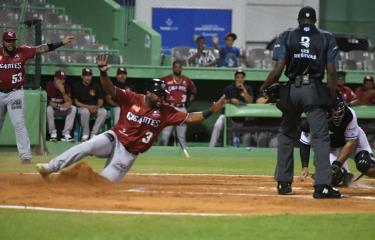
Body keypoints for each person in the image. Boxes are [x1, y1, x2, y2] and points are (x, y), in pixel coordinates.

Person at [36, 55, 225, 182]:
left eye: (163, 95)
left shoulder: (166, 111)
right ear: (149, 92)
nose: (162, 97)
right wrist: (103, 73)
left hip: (128, 153)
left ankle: (64, 179)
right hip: (114, 138)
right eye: (159, 94)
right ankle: (50, 167)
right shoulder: (132, 97)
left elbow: (191, 117)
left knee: (105, 183)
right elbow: (110, 89)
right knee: (86, 146)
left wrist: (211, 111)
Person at [260, 6, 341, 198]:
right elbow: (331, 71)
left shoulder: (287, 35)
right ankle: (322, 186)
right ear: (315, 21)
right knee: (320, 137)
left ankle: (283, 183)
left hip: (292, 91)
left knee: (287, 134)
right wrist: (331, 96)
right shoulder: (326, 37)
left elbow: (278, 70)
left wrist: (264, 87)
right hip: (313, 90)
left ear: (298, 20)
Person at [0, 30, 73, 164]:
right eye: (8, 41)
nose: (11, 43)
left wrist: (61, 42)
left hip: (15, 92)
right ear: (3, 42)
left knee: (19, 123)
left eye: (13, 41)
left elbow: (43, 48)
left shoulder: (22, 51)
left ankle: (25, 156)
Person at [299, 96, 375, 186]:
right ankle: (344, 174)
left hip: (354, 143)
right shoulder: (312, 120)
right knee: (330, 177)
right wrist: (305, 166)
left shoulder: (349, 115)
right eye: (334, 111)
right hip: (331, 147)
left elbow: (350, 143)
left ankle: (343, 170)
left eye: (339, 111)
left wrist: (337, 165)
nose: (338, 114)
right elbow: (305, 143)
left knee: (368, 167)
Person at [209, 69, 253, 147]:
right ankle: (210, 148)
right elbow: (223, 103)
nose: (240, 79)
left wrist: (244, 90)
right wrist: (231, 101)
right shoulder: (229, 88)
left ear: (244, 78)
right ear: (235, 78)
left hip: (242, 117)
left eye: (241, 77)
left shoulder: (248, 88)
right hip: (227, 116)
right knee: (217, 125)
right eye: (238, 77)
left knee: (246, 134)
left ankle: (246, 152)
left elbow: (250, 101)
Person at [159, 60, 197, 150]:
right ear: (172, 68)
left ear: (181, 68)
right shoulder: (165, 79)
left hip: (182, 108)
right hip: (169, 108)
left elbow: (194, 91)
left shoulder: (186, 80)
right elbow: (158, 90)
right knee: (165, 134)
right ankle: (160, 154)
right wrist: (161, 102)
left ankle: (183, 157)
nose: (177, 69)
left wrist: (189, 102)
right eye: (175, 67)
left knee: (181, 136)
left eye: (179, 67)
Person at [72, 68, 107, 141]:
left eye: (89, 75)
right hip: (81, 108)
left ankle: (94, 134)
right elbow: (76, 102)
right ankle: (85, 135)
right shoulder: (77, 85)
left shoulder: (96, 85)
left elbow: (100, 100)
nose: (88, 77)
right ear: (82, 76)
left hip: (94, 108)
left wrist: (96, 107)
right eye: (85, 75)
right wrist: (88, 107)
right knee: (85, 111)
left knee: (103, 112)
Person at [46, 70, 76, 141]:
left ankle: (66, 134)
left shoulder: (66, 87)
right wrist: (59, 106)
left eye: (64, 79)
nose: (62, 81)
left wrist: (63, 92)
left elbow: (69, 102)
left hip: (63, 109)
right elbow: (48, 101)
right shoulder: (49, 85)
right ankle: (53, 134)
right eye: (60, 79)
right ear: (55, 79)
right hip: (54, 109)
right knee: (49, 109)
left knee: (73, 108)